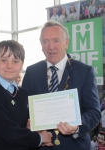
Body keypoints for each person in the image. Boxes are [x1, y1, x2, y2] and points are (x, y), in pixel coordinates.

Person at [22, 21, 101, 150]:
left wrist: (76, 127)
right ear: (41, 45)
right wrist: (29, 126)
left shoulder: (84, 71)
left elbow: (94, 112)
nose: (50, 46)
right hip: (41, 146)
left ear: (66, 43)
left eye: (56, 40)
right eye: (45, 41)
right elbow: (23, 110)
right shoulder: (31, 72)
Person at [0, 40, 53, 150]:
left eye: (15, 61)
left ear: (22, 65)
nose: (9, 66)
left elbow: (18, 129)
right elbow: (6, 130)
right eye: (4, 60)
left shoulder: (23, 94)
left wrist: (29, 129)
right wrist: (39, 139)